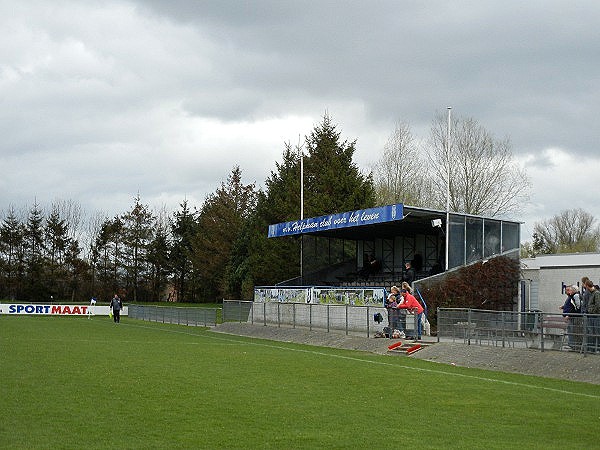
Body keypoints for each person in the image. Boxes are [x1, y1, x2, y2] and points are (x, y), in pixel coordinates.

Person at [559, 285, 580, 349]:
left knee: (572, 331)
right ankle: (572, 345)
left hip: (573, 317)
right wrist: (563, 307)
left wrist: (569, 315)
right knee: (570, 330)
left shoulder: (574, 296)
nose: (567, 291)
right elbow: (570, 306)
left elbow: (575, 307)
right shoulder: (571, 297)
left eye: (569, 290)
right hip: (571, 317)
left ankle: (573, 345)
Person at [584, 280, 600, 353]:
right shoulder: (592, 293)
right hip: (592, 315)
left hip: (595, 316)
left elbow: (598, 305)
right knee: (592, 332)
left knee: (596, 332)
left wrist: (591, 312)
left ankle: (597, 348)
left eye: (585, 285)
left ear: (587, 286)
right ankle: (593, 348)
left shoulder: (596, 293)